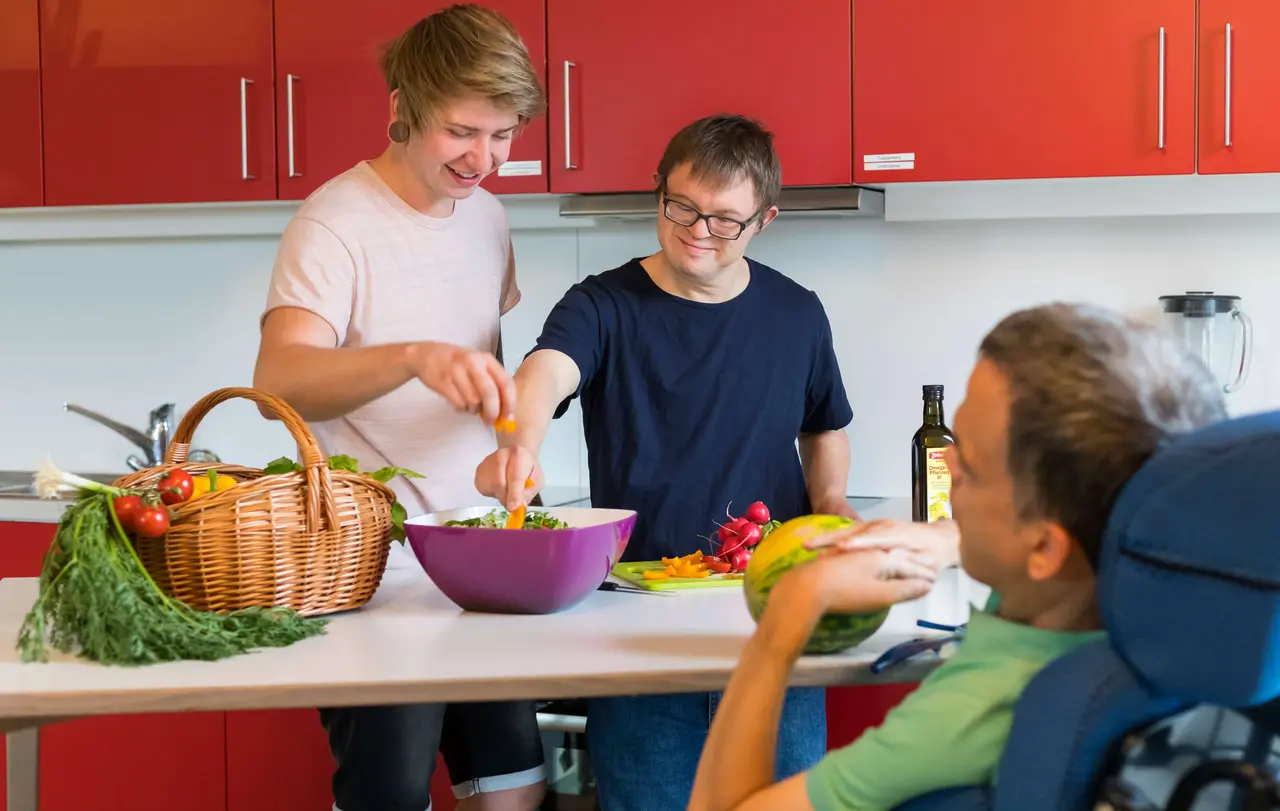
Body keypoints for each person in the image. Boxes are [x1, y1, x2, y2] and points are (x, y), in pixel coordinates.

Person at [686, 302, 1228, 811]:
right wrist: (946, 539)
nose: (948, 465)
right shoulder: (1166, 615)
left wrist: (786, 619)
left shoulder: (966, 717)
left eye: (968, 460)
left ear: (1041, 546)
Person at [473, 113, 856, 810]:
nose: (697, 229)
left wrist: (833, 508)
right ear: (659, 189)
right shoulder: (602, 304)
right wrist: (518, 443)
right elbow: (544, 375)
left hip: (771, 621)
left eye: (723, 219)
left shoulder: (797, 313)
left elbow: (824, 425)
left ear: (764, 220)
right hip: (639, 625)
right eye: (680, 204)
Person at [252, 6, 548, 811]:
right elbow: (280, 377)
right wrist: (413, 356)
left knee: (515, 784)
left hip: (482, 558)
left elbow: (486, 367)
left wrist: (507, 450)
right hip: (374, 571)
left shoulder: (487, 216)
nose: (483, 158)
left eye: (504, 134)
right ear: (403, 109)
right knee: (389, 794)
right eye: (462, 131)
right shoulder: (333, 225)